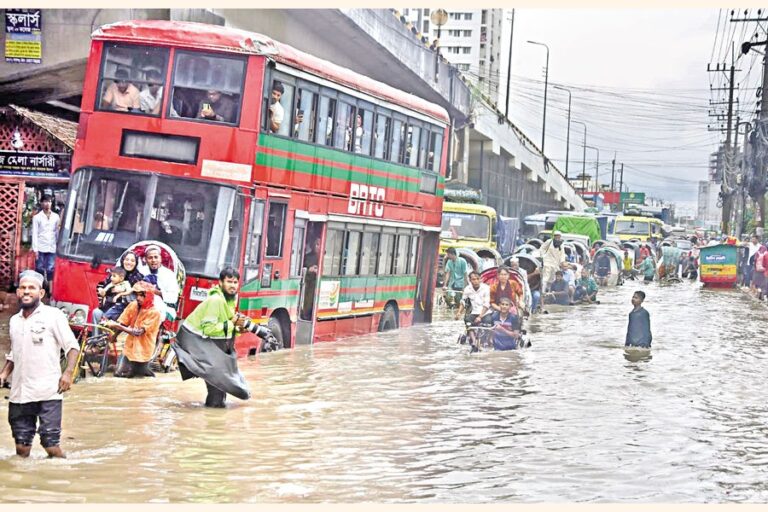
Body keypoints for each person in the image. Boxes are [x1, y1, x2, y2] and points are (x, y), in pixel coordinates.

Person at [0, 270, 79, 458]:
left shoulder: (54, 315)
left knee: (50, 446)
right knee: (22, 448)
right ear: (18, 292)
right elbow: (14, 354)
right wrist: (3, 375)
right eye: (23, 288)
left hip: (48, 392)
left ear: (41, 293)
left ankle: (62, 473)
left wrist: (68, 373)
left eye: (31, 288)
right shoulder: (14, 321)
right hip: (19, 393)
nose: (26, 292)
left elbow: (72, 347)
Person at [173, 267, 272, 407]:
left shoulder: (230, 300)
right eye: (229, 282)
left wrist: (239, 328)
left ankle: (214, 419)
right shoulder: (215, 300)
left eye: (235, 282)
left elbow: (225, 326)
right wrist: (232, 323)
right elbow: (210, 329)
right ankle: (213, 423)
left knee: (220, 389)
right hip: (198, 345)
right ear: (220, 283)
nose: (232, 286)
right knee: (217, 390)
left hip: (212, 348)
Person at [103, 281, 163, 378]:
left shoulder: (154, 313)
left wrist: (116, 326)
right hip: (129, 348)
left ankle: (147, 372)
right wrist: (114, 336)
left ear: (148, 296)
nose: (138, 298)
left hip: (143, 352)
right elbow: (123, 322)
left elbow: (138, 332)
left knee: (139, 375)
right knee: (119, 374)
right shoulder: (133, 305)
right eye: (137, 295)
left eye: (142, 295)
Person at [141, 245, 180, 321]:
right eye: (150, 258)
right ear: (145, 259)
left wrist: (157, 292)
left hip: (162, 307)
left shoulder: (169, 274)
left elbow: (173, 298)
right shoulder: (141, 271)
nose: (153, 260)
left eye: (156, 257)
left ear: (160, 259)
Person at [456, 271, 491, 349]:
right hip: (474, 312)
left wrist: (480, 317)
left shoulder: (486, 288)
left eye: (477, 279)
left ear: (480, 279)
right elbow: (463, 301)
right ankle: (474, 341)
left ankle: (486, 340)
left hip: (485, 312)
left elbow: (487, 304)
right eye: (473, 279)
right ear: (470, 280)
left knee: (488, 322)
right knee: (467, 320)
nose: (476, 281)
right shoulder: (467, 289)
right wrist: (459, 313)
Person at [31, 194, 60, 288]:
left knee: (50, 268)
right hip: (40, 246)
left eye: (49, 202)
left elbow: (57, 232)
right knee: (39, 268)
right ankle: (40, 287)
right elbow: (34, 234)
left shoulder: (56, 217)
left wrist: (58, 245)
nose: (48, 204)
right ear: (41, 203)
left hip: (52, 246)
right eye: (45, 201)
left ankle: (50, 290)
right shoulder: (37, 217)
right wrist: (35, 250)